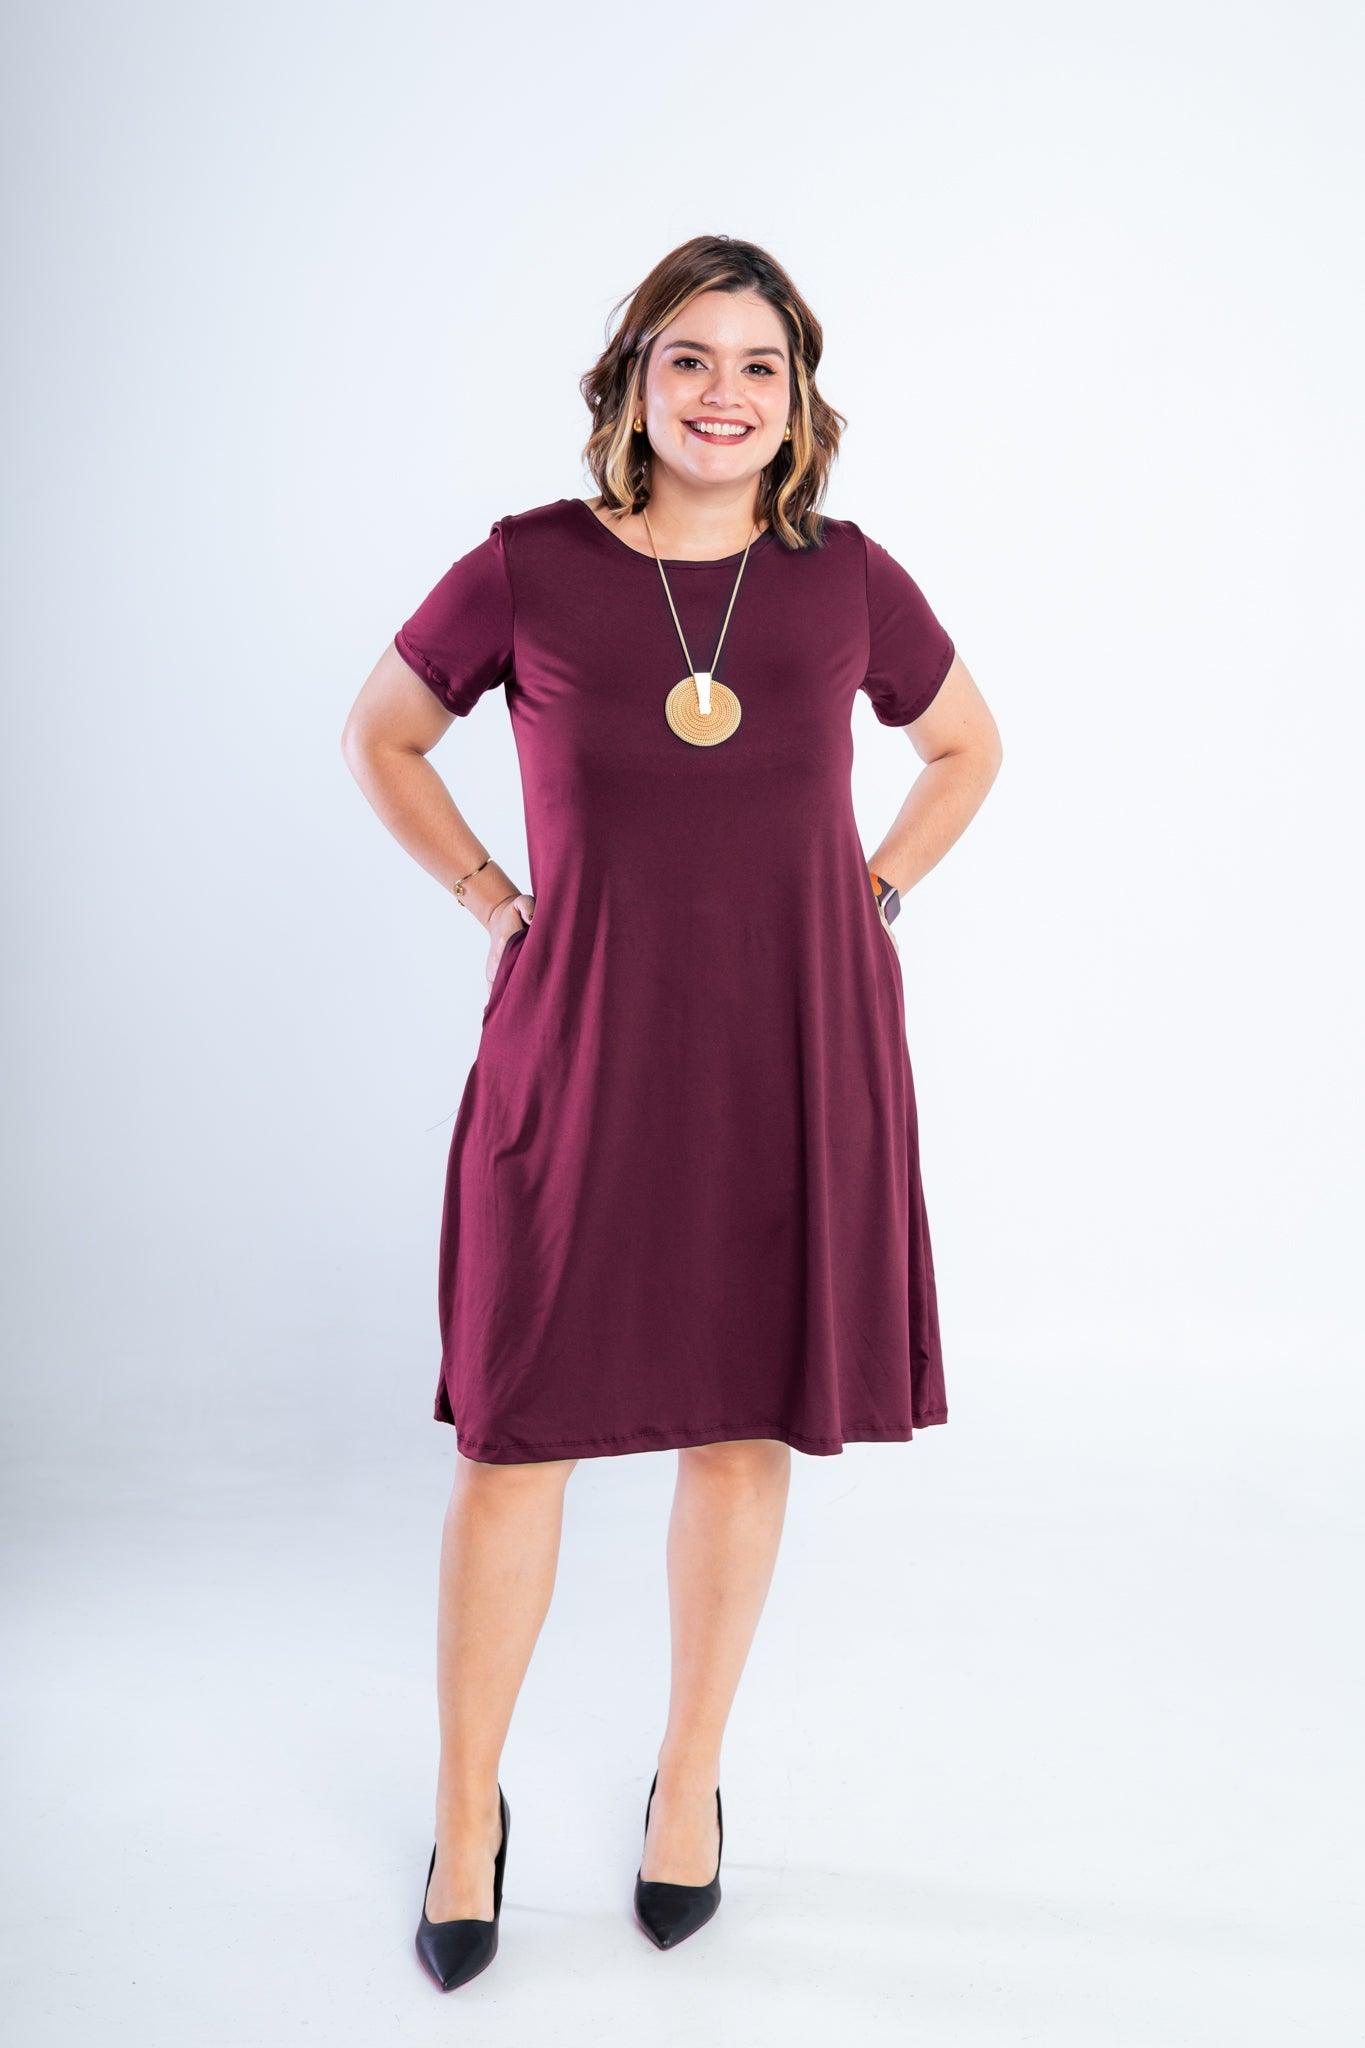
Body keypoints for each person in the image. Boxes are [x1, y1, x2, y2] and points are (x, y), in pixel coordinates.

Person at [340, 233, 1003, 1990]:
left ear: (799, 403)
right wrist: (490, 894)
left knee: (740, 1422)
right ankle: (465, 1812)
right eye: (689, 359)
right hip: (579, 1043)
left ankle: (688, 1783)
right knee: (516, 1436)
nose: (724, 394)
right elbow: (383, 734)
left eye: (759, 366)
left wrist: (871, 891)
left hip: (792, 1043)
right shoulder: (528, 568)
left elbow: (967, 747)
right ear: (632, 382)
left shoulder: (845, 579)